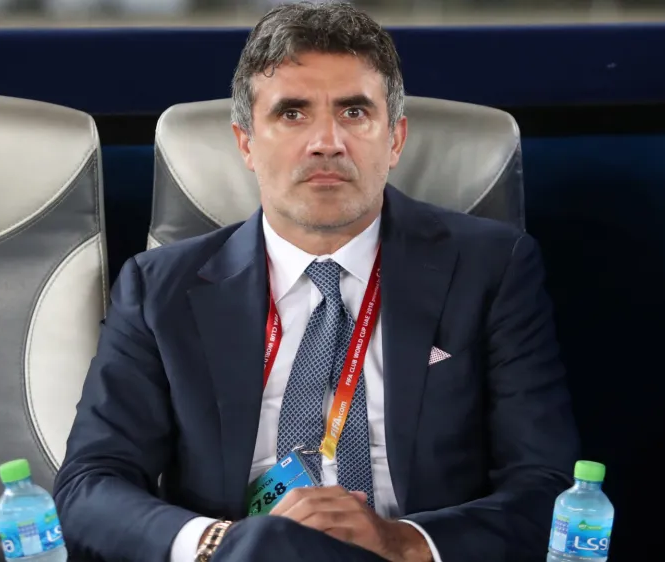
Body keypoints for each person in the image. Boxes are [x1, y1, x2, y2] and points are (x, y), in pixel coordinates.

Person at [53, 2, 581, 561]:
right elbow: (90, 485)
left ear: (395, 139)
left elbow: (547, 485)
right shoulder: (159, 289)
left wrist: (402, 542)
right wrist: (222, 543)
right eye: (292, 113)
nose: (326, 142)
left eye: (354, 112)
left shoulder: (491, 269)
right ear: (246, 143)